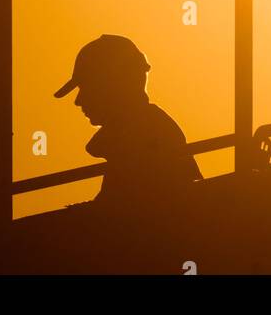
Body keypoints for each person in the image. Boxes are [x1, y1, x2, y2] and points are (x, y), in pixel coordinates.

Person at [54, 35, 202, 209]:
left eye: (86, 87)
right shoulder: (137, 129)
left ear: (111, 86)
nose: (78, 101)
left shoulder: (142, 132)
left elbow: (126, 210)